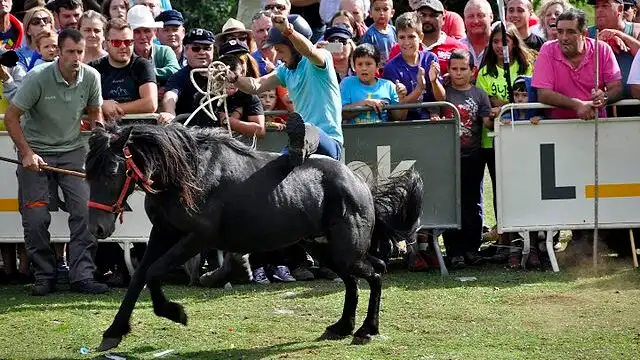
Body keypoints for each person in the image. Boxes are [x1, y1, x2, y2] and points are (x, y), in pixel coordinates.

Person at [4, 28, 107, 296]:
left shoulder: (92, 76)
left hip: (74, 151)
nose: (76, 57)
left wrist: (100, 140)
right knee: (36, 217)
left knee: (85, 213)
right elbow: (11, 117)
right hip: (35, 149)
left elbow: (96, 114)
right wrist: (26, 152)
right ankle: (44, 275)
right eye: (70, 52)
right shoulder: (38, 77)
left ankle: (82, 275)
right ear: (58, 52)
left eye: (80, 52)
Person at [228, 14, 343, 165]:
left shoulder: (322, 57)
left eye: (280, 50)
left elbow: (308, 51)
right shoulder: (285, 70)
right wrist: (233, 78)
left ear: (294, 47)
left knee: (306, 129)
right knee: (274, 166)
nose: (277, 56)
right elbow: (256, 86)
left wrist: (289, 32)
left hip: (329, 143)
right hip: (300, 145)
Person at [438, 49, 491, 268]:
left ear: (472, 70)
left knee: (473, 203)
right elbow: (437, 105)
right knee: (452, 203)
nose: (458, 73)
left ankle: (472, 248)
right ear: (448, 71)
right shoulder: (445, 93)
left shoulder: (479, 94)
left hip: (474, 156)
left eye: (463, 69)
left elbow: (486, 121)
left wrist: (496, 115)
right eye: (454, 69)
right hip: (449, 156)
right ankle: (454, 251)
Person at [532, 8, 622, 120]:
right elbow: (543, 94)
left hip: (596, 124)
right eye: (560, 31)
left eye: (570, 32)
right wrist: (577, 105)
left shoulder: (602, 49)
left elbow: (617, 88)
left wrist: (604, 97)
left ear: (584, 33)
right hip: (557, 126)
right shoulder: (548, 49)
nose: (564, 37)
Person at [90, 18, 157, 122]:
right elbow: (79, 101)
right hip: (105, 131)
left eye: (127, 42)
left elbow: (150, 103)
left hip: (138, 130)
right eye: (116, 42)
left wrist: (113, 108)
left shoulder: (142, 65)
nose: (123, 46)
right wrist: (102, 105)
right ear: (106, 44)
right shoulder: (94, 69)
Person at [383, 11, 444, 121]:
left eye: (411, 36)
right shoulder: (391, 68)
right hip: (405, 124)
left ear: (421, 37)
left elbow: (441, 98)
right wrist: (419, 89)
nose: (407, 42)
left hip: (431, 120)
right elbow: (395, 111)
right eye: (402, 37)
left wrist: (434, 82)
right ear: (396, 38)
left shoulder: (430, 59)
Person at [158, 28, 215, 124]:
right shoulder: (179, 77)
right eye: (196, 48)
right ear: (185, 51)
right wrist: (170, 113)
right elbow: (170, 96)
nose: (202, 52)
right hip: (190, 131)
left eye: (207, 48)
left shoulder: (223, 74)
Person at [341, 43, 405, 123]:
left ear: (377, 66)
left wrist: (402, 98)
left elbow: (399, 117)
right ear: (354, 67)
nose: (364, 68)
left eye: (368, 64)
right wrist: (365, 103)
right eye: (359, 64)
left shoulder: (389, 86)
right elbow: (341, 114)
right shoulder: (347, 83)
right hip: (355, 134)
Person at [127, 4, 179, 85]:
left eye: (147, 30)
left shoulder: (164, 51)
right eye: (136, 31)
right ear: (129, 34)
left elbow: (175, 70)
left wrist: (144, 73)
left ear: (154, 32)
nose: (143, 36)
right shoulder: (125, 54)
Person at [17, 6, 55, 71]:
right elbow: (23, 80)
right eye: (36, 22)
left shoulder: (61, 50)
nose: (42, 24)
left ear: (51, 26)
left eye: (46, 20)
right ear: (28, 30)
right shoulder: (19, 55)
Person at [361, 0, 395, 66]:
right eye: (377, 9)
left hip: (394, 71)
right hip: (377, 73)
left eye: (385, 9)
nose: (381, 13)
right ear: (370, 13)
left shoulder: (395, 31)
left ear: (392, 13)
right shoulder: (369, 35)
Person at [462, 0, 493, 70]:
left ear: (491, 17)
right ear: (464, 19)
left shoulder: (503, 46)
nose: (476, 21)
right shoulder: (457, 47)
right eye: (470, 16)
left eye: (480, 15)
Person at [251, 10, 278, 76]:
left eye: (269, 29)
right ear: (253, 35)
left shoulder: (288, 57)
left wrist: (273, 71)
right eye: (260, 31)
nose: (266, 34)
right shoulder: (249, 62)